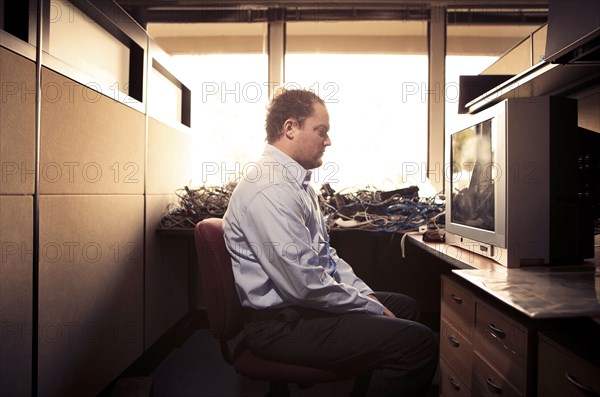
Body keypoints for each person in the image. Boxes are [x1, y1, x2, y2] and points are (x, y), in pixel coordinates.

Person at [222, 88, 438, 396]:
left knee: (405, 307)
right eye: (321, 131)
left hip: (299, 310)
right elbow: (305, 285)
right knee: (419, 343)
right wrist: (368, 307)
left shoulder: (297, 184)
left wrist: (366, 296)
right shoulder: (270, 188)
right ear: (290, 128)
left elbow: (326, 258)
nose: (328, 140)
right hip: (279, 327)